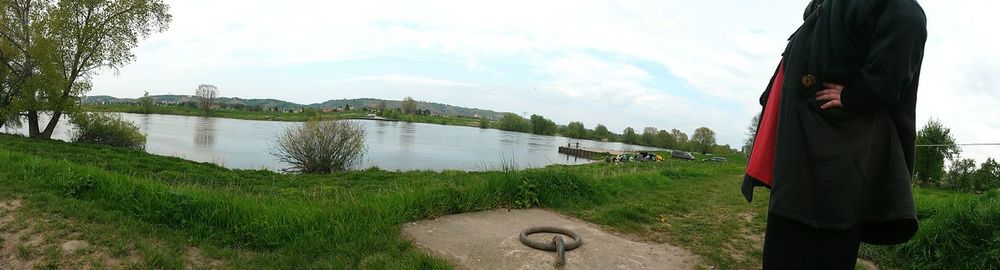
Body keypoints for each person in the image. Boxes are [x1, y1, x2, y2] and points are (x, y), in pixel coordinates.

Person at [742, 0, 927, 269]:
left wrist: (856, 96)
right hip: (797, 158)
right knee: (782, 251)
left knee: (822, 250)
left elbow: (908, 20)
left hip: (834, 162)